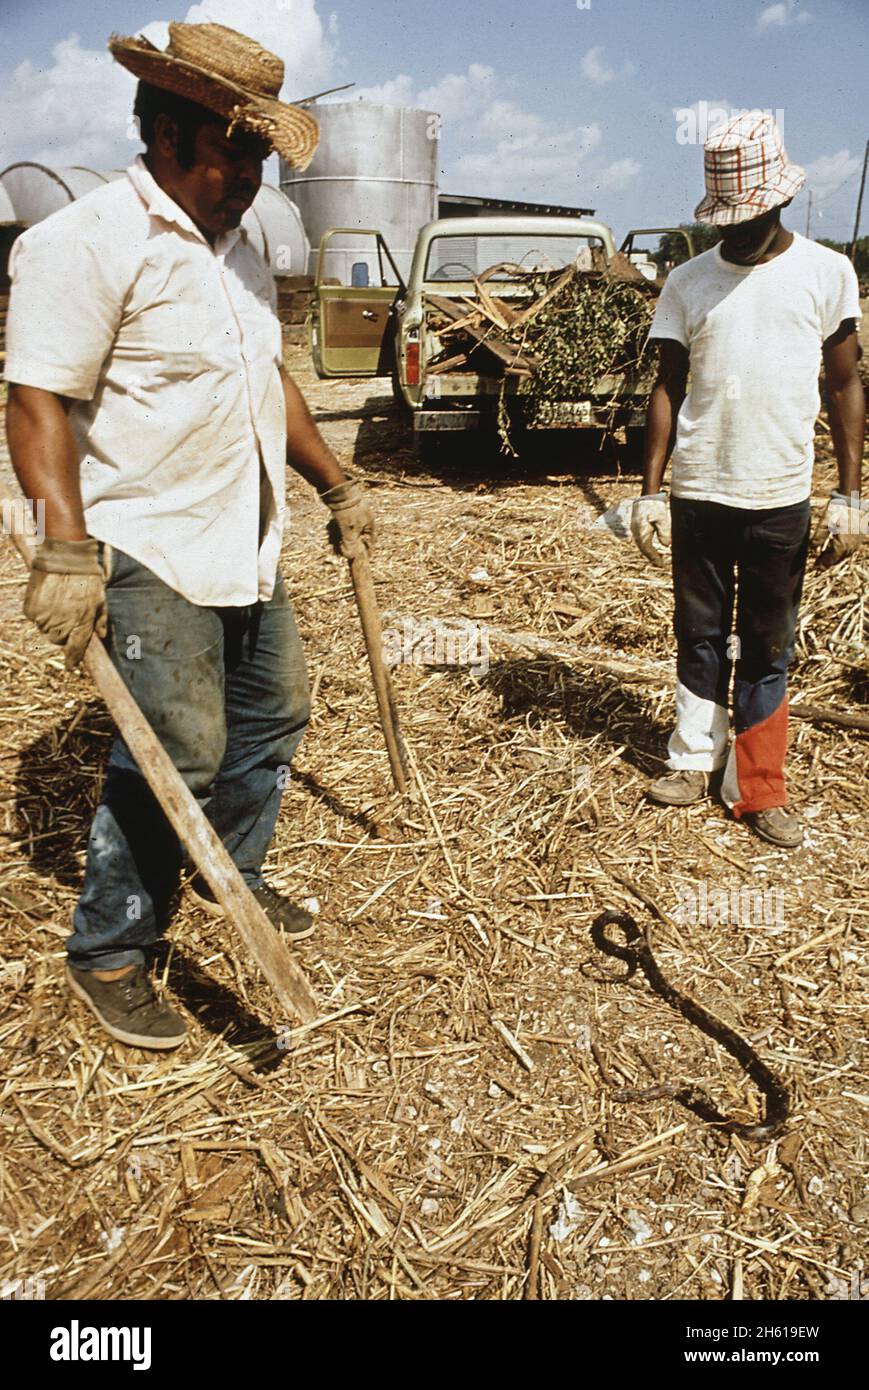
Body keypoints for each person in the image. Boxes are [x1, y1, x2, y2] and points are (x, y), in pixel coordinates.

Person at [4, 22, 374, 1048]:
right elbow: (34, 400)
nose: (252, 177)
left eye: (261, 154)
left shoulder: (238, 248)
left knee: (275, 713)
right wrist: (64, 549)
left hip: (243, 537)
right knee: (178, 746)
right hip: (145, 543)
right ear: (168, 133)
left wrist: (337, 486)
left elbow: (267, 379)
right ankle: (112, 948)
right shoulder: (84, 244)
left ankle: (228, 870)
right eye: (237, 153)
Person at [632, 110, 865, 849]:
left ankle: (758, 789)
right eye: (722, 221)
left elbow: (844, 383)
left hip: (779, 497)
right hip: (700, 491)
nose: (732, 233)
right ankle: (692, 760)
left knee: (767, 645)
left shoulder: (825, 273)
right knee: (699, 635)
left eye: (748, 219)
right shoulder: (687, 280)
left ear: (778, 203)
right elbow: (666, 385)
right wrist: (648, 492)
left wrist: (850, 494)